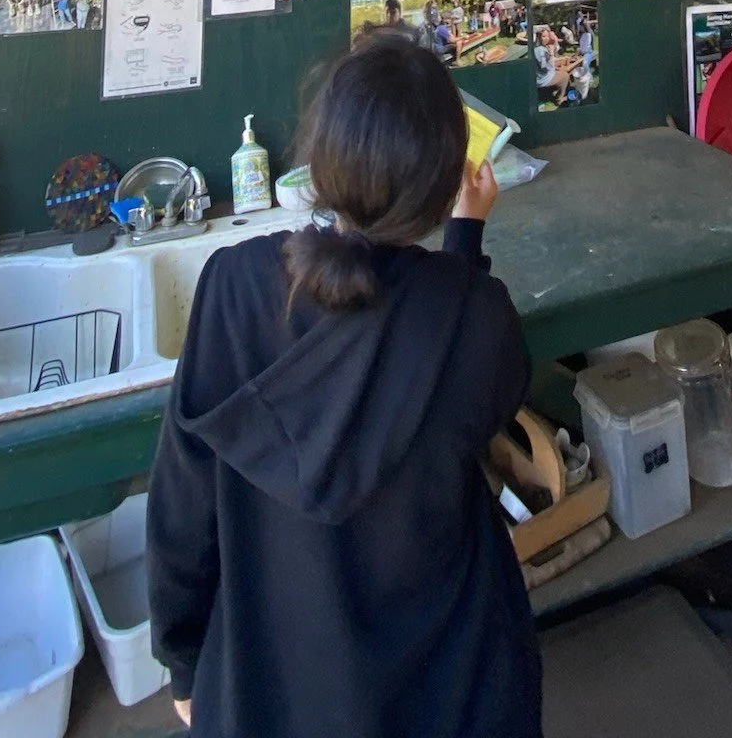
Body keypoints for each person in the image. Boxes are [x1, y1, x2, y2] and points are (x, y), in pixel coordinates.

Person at [147, 36, 539, 738]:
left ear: (320, 158)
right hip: (452, 690)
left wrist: (183, 663)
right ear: (442, 184)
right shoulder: (476, 316)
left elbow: (182, 501)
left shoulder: (233, 287)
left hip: (273, 692)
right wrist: (465, 239)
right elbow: (456, 355)